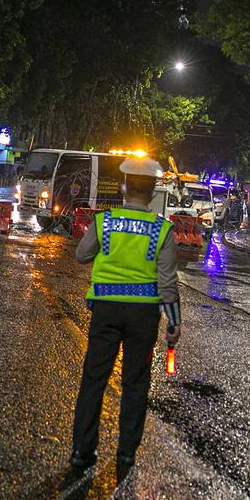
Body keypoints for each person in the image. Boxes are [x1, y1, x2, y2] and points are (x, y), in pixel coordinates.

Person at [69, 157, 181, 470]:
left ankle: (82, 451)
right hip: (144, 317)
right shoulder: (162, 231)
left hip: (105, 312)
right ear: (154, 190)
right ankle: (126, 453)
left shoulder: (105, 221)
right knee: (135, 382)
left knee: (94, 379)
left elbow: (81, 256)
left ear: (123, 187)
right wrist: (174, 322)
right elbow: (168, 282)